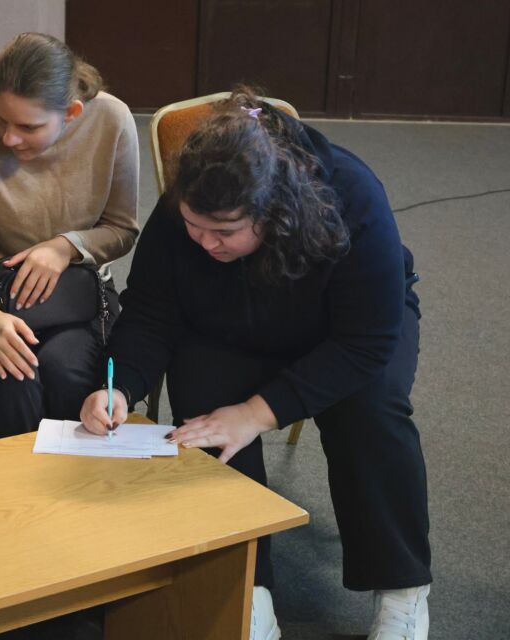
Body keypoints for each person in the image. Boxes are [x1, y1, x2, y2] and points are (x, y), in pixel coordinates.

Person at [79, 88, 431, 640]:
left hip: (344, 332)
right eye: (195, 226)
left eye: (224, 231)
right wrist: (120, 385)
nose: (205, 242)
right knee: (201, 407)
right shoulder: (185, 207)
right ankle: (246, 588)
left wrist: (256, 413)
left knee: (371, 411)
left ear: (274, 211)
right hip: (228, 328)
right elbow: (151, 311)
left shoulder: (351, 195)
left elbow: (367, 341)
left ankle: (401, 588)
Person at [0, 32, 140, 439]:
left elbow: (123, 229)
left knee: (68, 374)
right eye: (1, 119)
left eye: (28, 126)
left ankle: (78, 479)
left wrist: (66, 247)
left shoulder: (111, 120)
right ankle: (16, 483)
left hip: (78, 298)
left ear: (71, 113)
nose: (8, 137)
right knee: (14, 386)